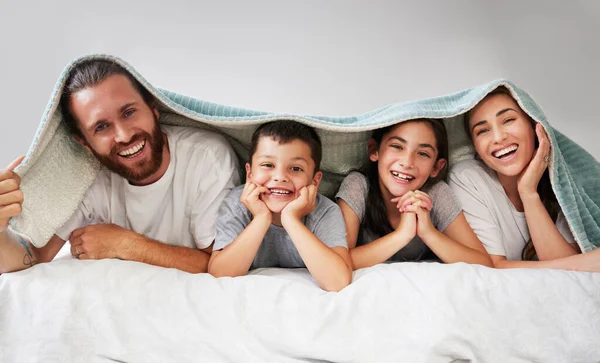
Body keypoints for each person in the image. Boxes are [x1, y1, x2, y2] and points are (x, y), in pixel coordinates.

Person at [0, 59, 239, 274]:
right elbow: (34, 256)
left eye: (129, 112)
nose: (124, 136)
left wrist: (125, 244)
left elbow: (218, 264)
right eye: (101, 127)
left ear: (153, 108)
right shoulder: (83, 177)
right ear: (84, 142)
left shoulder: (207, 157)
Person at [449, 86, 600, 270]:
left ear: (535, 127)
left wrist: (528, 192)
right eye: (482, 131)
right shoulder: (467, 177)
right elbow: (493, 266)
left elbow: (568, 273)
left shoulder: (559, 183)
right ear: (476, 148)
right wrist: (587, 262)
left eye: (508, 120)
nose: (498, 137)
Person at [208, 120, 352, 291]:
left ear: (315, 180)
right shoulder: (237, 204)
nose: (280, 177)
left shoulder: (325, 212)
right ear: (249, 173)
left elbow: (338, 282)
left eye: (296, 168)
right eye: (268, 165)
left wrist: (291, 220)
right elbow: (220, 273)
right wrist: (261, 218)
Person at [336, 119, 493, 270]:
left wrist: (428, 233)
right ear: (374, 150)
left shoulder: (436, 193)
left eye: (423, 154)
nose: (407, 162)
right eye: (397, 146)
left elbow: (483, 263)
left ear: (436, 167)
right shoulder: (358, 185)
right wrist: (402, 235)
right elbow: (337, 262)